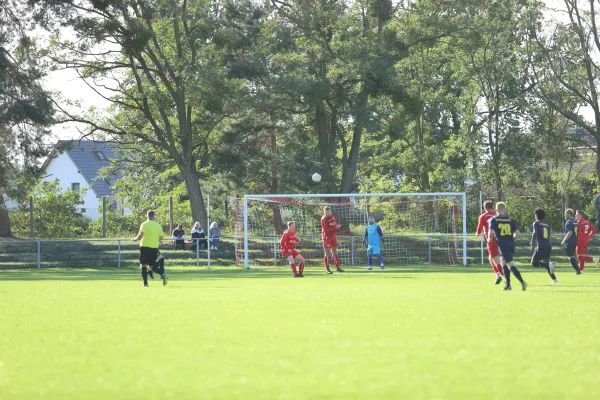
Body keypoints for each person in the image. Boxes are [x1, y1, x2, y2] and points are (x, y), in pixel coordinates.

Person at [488, 202, 527, 291]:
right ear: (504, 209)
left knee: (510, 264)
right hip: (511, 244)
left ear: (496, 209)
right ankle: (508, 284)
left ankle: (522, 282)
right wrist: (512, 239)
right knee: (503, 262)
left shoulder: (494, 220)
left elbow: (491, 233)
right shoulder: (510, 220)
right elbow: (517, 234)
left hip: (502, 245)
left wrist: (490, 239)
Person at [132, 210, 168, 287]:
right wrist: (159, 241)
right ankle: (163, 274)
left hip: (145, 247)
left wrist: (135, 239)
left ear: (147, 216)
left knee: (143, 265)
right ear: (154, 216)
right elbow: (161, 238)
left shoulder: (144, 224)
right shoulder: (158, 226)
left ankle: (145, 284)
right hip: (154, 248)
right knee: (152, 266)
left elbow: (140, 235)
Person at [475, 200, 504, 285]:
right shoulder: (497, 215)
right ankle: (498, 275)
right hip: (500, 239)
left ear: (484, 207)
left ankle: (506, 277)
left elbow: (479, 229)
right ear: (492, 207)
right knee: (491, 258)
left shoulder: (483, 216)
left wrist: (477, 234)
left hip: (491, 240)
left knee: (496, 260)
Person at [530, 208, 558, 283]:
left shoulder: (536, 223)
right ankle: (554, 279)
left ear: (536, 215)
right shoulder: (547, 224)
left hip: (541, 245)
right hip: (548, 245)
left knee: (534, 263)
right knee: (546, 263)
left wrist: (532, 244)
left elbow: (534, 233)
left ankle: (549, 264)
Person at [321, 206, 344, 274]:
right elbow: (326, 230)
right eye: (326, 212)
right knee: (327, 252)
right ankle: (327, 269)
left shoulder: (332, 216)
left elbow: (334, 223)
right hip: (326, 237)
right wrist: (335, 227)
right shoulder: (323, 219)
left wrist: (337, 225)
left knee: (334, 251)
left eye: (329, 211)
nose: (328, 213)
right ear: (324, 212)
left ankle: (337, 267)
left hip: (333, 236)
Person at [560, 208, 582, 274]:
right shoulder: (575, 221)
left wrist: (564, 240)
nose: (564, 215)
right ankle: (578, 268)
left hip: (569, 241)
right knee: (573, 255)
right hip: (575, 240)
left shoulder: (569, 222)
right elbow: (577, 232)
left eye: (565, 214)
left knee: (570, 256)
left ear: (569, 214)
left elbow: (569, 232)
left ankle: (578, 270)